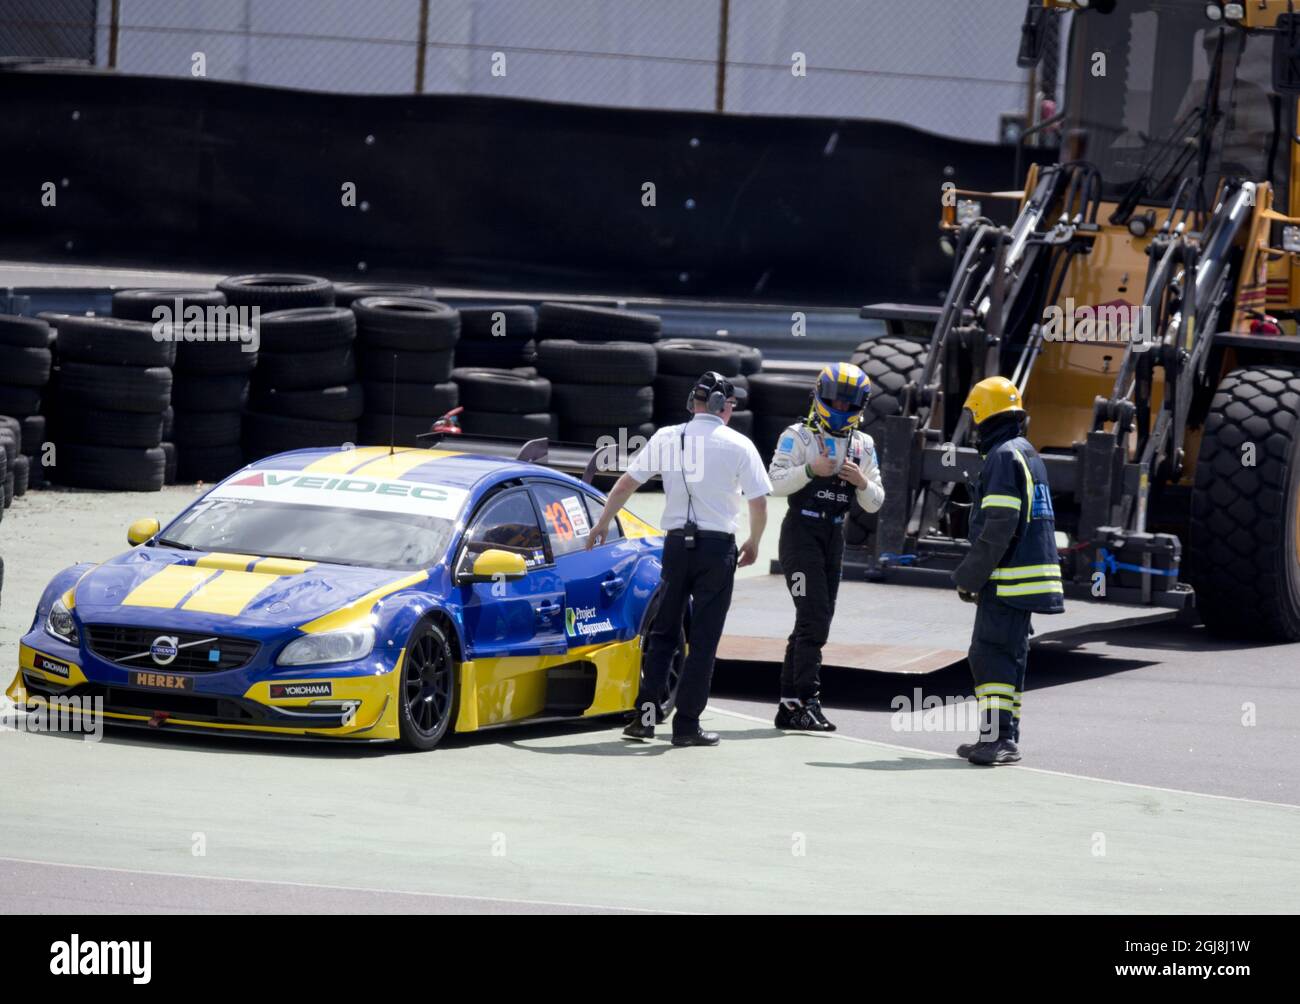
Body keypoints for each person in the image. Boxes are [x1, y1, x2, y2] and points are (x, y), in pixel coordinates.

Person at [588, 371, 771, 747]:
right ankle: (687, 726)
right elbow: (758, 502)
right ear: (722, 406)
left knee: (664, 633)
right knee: (703, 640)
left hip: (675, 548)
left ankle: (645, 718)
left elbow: (625, 483)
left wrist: (602, 523)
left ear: (693, 402)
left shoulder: (667, 437)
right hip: (717, 549)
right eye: (731, 405)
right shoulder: (740, 445)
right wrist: (754, 541)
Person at [951, 376, 1065, 766]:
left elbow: (1000, 525)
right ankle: (1004, 737)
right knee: (1009, 656)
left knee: (990, 655)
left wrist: (970, 575)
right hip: (1027, 578)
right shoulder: (1027, 452)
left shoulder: (1001, 457)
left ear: (983, 413)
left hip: (1007, 579)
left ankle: (997, 738)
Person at [768, 362, 884, 731]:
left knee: (815, 620)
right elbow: (772, 483)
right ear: (819, 397)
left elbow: (876, 502)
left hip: (834, 537)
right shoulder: (797, 437)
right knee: (814, 618)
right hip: (800, 534)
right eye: (834, 399)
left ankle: (790, 705)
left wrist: (862, 481)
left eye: (849, 403)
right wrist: (809, 471)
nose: (841, 407)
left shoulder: (864, 445)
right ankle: (808, 699)